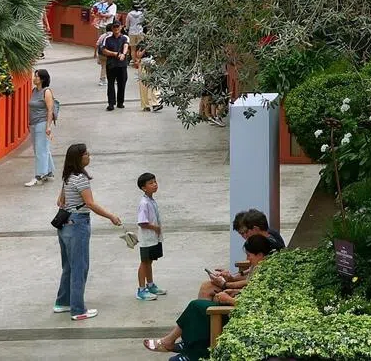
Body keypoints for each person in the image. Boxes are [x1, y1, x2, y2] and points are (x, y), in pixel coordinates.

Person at [145, 234, 276, 356]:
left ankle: (172, 341)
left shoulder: (267, 273)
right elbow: (249, 286)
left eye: (249, 255)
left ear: (259, 254)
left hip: (238, 314)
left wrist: (229, 297)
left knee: (195, 306)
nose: (247, 259)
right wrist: (233, 291)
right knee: (204, 294)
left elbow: (256, 304)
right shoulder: (261, 265)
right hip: (236, 302)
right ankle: (189, 340)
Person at [54, 143, 122, 322]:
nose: (89, 156)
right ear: (79, 158)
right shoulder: (81, 179)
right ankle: (77, 310)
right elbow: (90, 204)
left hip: (64, 226)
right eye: (86, 154)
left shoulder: (67, 177)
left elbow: (60, 201)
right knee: (80, 267)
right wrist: (111, 216)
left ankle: (63, 301)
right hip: (78, 224)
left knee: (68, 265)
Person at [136, 172, 167, 301]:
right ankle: (141, 290)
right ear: (144, 188)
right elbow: (142, 222)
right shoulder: (144, 203)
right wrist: (155, 228)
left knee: (149, 261)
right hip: (147, 239)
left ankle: (150, 285)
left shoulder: (151, 200)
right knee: (144, 262)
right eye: (151, 183)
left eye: (155, 182)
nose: (155, 185)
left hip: (153, 238)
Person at [25, 68, 56, 187]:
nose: (34, 78)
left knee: (40, 150)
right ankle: (48, 172)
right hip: (33, 123)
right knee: (41, 149)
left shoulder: (46, 92)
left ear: (42, 79)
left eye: (36, 76)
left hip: (42, 123)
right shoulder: (34, 91)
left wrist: (48, 126)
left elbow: (50, 110)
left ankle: (39, 175)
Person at [99, 21, 130, 110]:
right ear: (112, 28)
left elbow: (126, 46)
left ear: (121, 27)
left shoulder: (125, 38)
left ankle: (120, 102)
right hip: (111, 64)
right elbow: (104, 50)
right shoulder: (107, 39)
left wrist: (123, 54)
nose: (116, 28)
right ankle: (111, 103)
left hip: (122, 64)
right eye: (114, 27)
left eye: (118, 26)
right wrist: (115, 54)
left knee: (122, 84)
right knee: (111, 84)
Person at [134, 34, 163, 112]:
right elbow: (138, 55)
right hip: (143, 63)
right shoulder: (141, 44)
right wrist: (146, 49)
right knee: (143, 86)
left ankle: (156, 104)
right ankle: (145, 105)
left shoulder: (156, 43)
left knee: (155, 83)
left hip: (153, 64)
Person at [93, 0, 116, 85]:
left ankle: (103, 79)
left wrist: (95, 54)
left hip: (103, 54)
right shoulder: (113, 37)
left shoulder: (113, 6)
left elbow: (98, 43)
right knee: (111, 65)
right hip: (102, 24)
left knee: (104, 66)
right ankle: (113, 79)